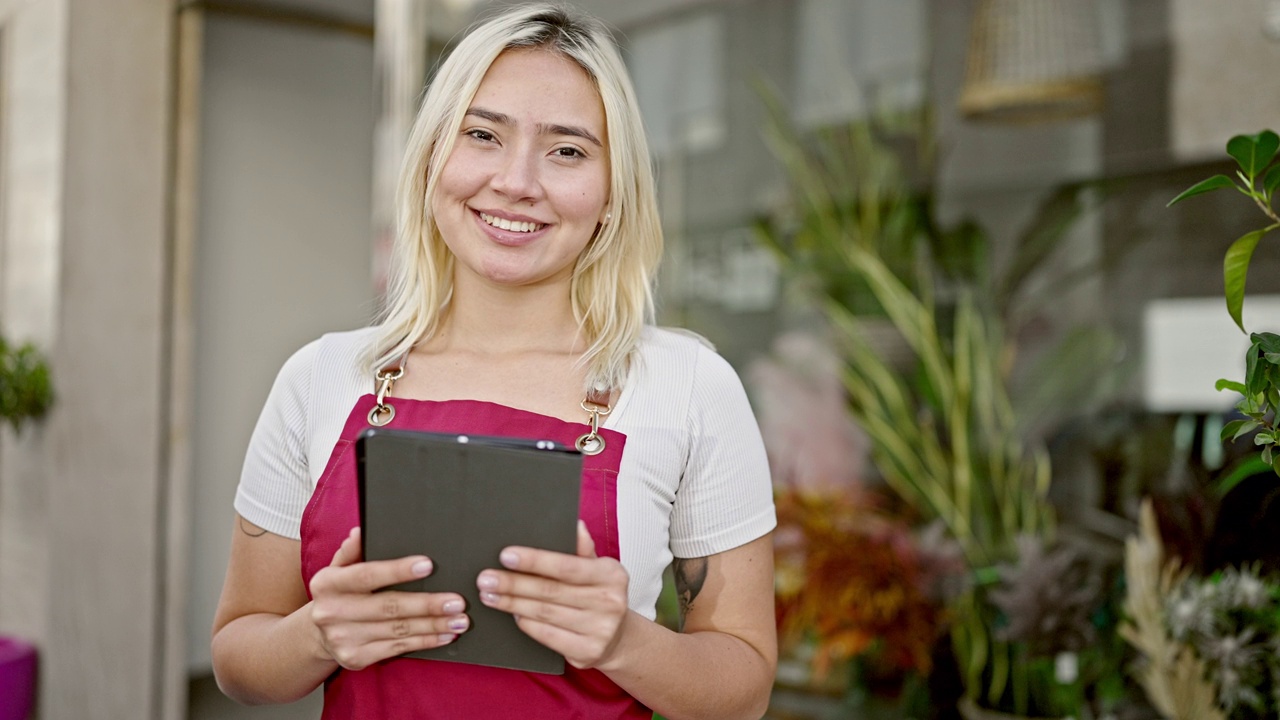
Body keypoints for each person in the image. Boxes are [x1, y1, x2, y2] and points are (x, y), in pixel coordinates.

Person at [210, 4, 777, 718]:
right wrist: (317, 635)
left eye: (566, 150)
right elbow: (238, 658)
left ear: (612, 193)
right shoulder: (321, 378)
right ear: (433, 157)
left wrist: (623, 641)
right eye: (483, 135)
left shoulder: (688, 389)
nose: (516, 181)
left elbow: (744, 688)